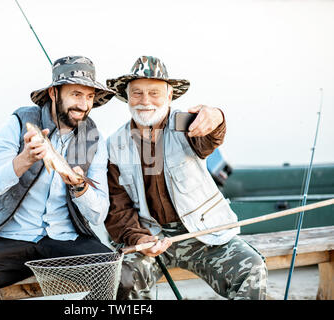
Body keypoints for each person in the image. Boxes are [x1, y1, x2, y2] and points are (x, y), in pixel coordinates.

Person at [0, 56, 115, 300]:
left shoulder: (94, 138)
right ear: (54, 93)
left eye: (89, 97)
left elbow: (98, 214)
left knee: (119, 277)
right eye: (76, 94)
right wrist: (23, 160)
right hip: (10, 237)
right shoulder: (19, 122)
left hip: (64, 240)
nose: (84, 104)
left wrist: (80, 187)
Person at [105, 56, 267, 300]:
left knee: (252, 267)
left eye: (154, 92)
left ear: (169, 96)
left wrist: (216, 117)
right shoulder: (113, 145)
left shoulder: (187, 123)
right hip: (150, 238)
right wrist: (140, 238)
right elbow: (117, 209)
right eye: (136, 93)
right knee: (121, 277)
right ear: (127, 98)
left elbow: (209, 137)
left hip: (201, 234)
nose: (145, 101)